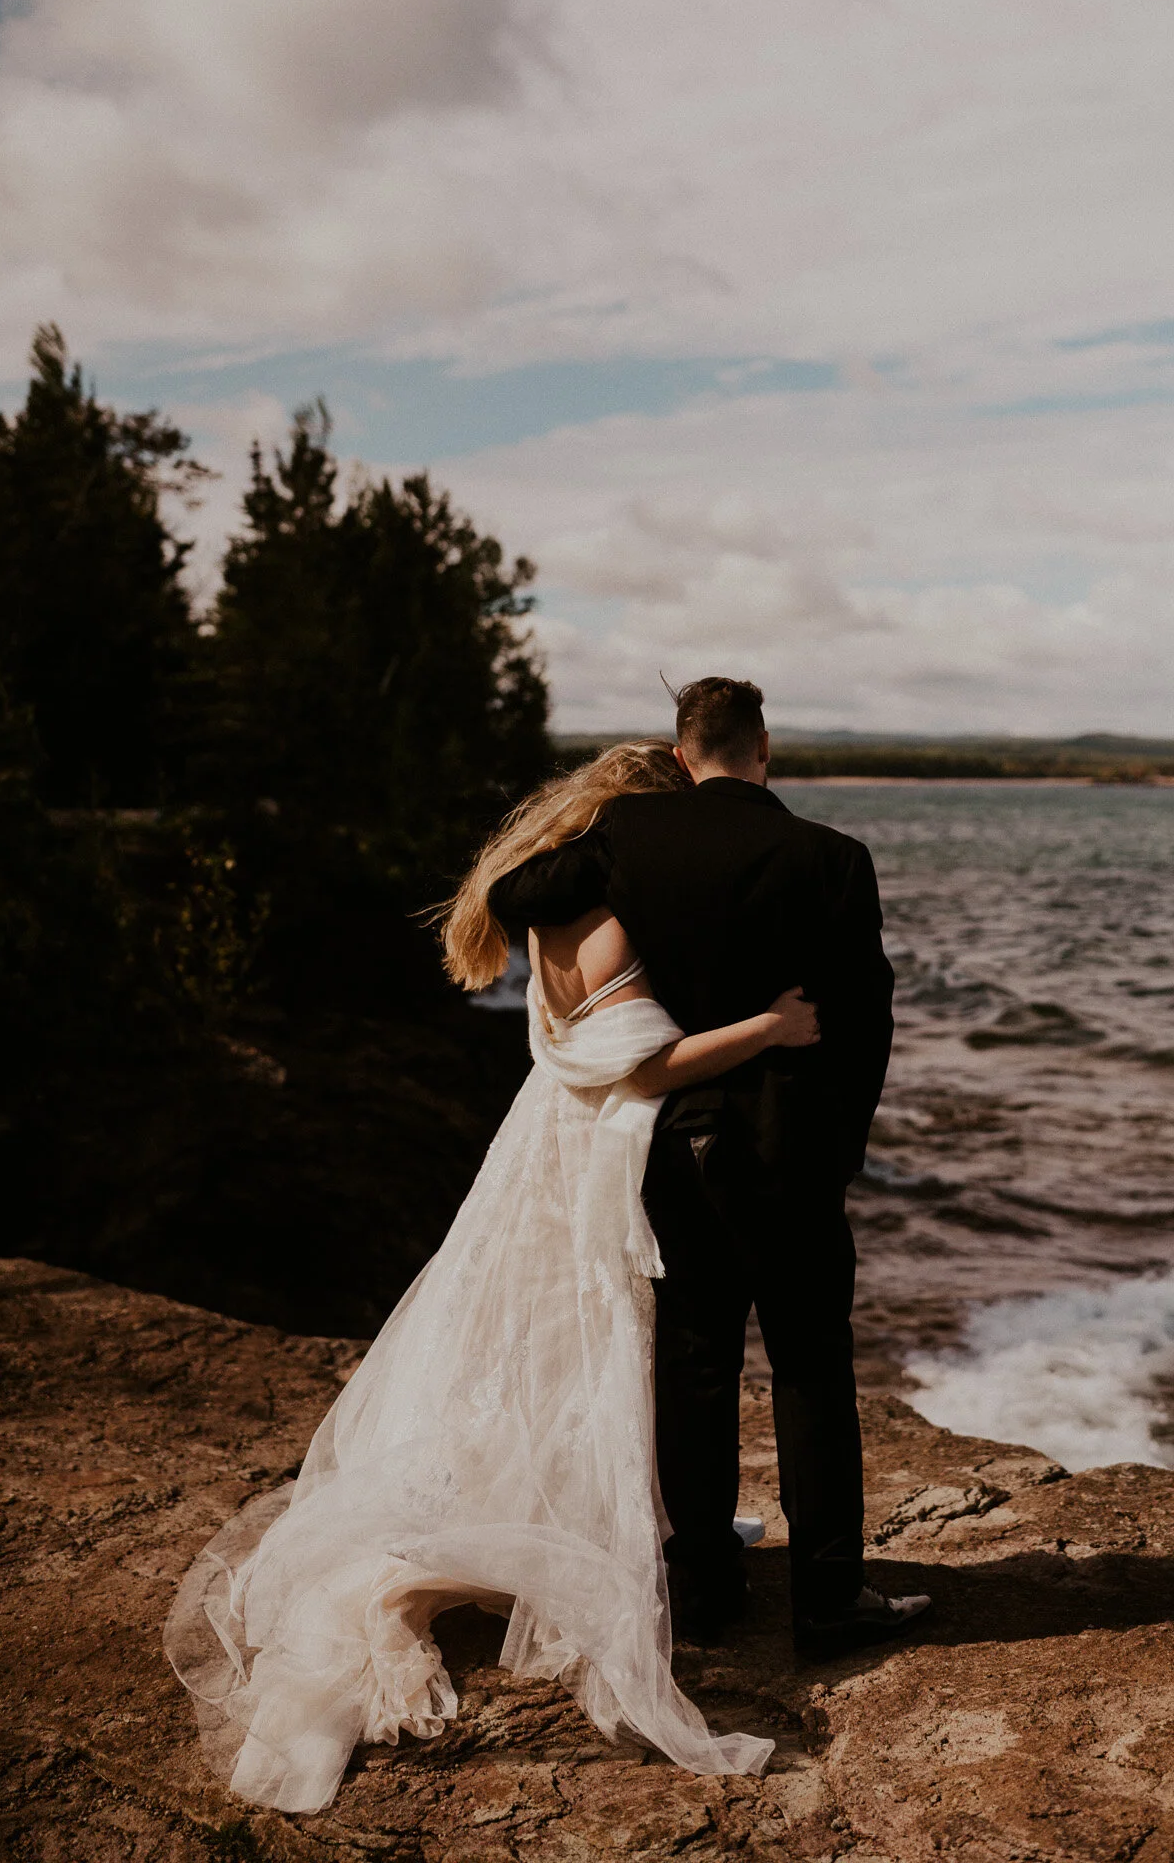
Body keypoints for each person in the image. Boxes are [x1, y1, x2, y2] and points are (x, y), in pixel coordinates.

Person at [164, 740, 823, 1812]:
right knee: (610, 1346)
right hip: (597, 1152)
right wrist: (770, 1027)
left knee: (551, 1353)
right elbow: (641, 1063)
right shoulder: (616, 911)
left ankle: (635, 1507)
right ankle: (553, 1538)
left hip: (542, 1141)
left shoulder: (548, 904)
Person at [489, 677, 925, 1660]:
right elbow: (865, 1021)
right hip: (789, 1150)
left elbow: (514, 894)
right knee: (810, 1367)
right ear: (763, 747)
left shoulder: (630, 839)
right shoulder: (832, 858)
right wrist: (837, 1147)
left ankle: (703, 1590)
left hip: (673, 1142)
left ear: (685, 755)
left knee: (694, 1362)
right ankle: (827, 1599)